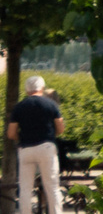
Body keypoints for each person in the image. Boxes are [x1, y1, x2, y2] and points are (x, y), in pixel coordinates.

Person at [8, 73, 63, 214]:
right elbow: (61, 128)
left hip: (26, 149)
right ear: (42, 88)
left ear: (27, 90)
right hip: (46, 148)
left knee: (25, 188)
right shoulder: (51, 104)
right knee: (52, 187)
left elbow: (11, 133)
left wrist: (19, 139)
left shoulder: (19, 107)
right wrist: (50, 135)